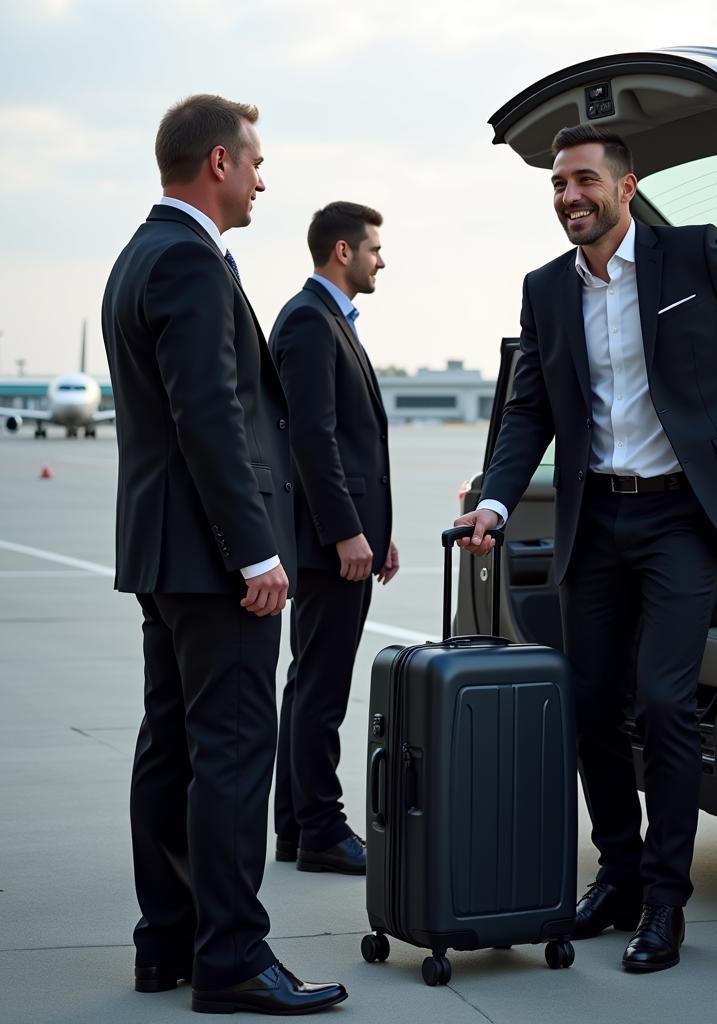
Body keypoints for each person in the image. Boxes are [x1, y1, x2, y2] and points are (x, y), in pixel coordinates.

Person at [455, 124, 717, 972]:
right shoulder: (545, 289)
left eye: (584, 180)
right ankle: (618, 877)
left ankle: (666, 902)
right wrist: (496, 502)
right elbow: (529, 412)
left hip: (678, 520)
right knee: (588, 703)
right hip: (596, 520)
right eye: (557, 185)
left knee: (663, 703)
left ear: (627, 187)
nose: (568, 197)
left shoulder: (691, 257)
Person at [101, 94, 347, 1015]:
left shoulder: (138, 257)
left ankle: (166, 943)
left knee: (171, 747)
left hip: (163, 555)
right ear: (216, 163)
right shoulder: (192, 263)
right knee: (234, 752)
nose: (261, 179)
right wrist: (255, 553)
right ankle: (234, 958)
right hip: (212, 561)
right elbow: (211, 417)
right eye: (253, 162)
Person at [270, 202, 397, 875]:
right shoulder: (310, 323)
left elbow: (350, 443)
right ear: (343, 252)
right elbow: (312, 441)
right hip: (328, 545)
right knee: (321, 689)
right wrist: (348, 532)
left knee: (310, 684)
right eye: (375, 248)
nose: (383, 260)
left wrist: (380, 533)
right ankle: (320, 827)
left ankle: (296, 826)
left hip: (342, 540)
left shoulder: (328, 321)